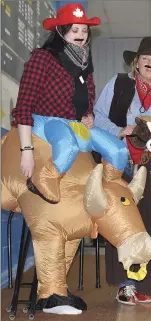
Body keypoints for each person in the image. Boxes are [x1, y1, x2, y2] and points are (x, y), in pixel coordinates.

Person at [11, 3, 126, 204]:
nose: (81, 34)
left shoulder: (84, 64)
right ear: (61, 32)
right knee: (68, 146)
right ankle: (43, 181)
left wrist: (90, 116)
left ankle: (107, 191)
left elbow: (87, 101)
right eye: (74, 30)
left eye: (84, 30)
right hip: (48, 122)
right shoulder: (43, 58)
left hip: (76, 124)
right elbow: (24, 104)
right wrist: (26, 151)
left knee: (118, 150)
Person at [94, 37, 151, 305]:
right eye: (146, 59)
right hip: (116, 164)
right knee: (120, 222)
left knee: (147, 223)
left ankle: (144, 285)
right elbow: (97, 117)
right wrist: (123, 129)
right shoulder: (118, 83)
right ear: (136, 63)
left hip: (148, 166)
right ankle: (124, 284)